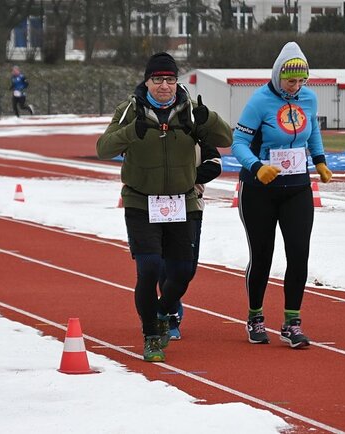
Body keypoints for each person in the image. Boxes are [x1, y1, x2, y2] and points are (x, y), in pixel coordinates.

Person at [97, 52, 232, 362]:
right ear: (147, 81)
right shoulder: (130, 109)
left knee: (183, 271)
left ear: (176, 82)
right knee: (149, 268)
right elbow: (103, 148)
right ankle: (151, 336)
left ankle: (160, 313)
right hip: (141, 200)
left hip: (181, 200)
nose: (164, 86)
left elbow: (225, 138)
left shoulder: (190, 111)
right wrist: (131, 132)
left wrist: (207, 118)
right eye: (157, 79)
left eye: (170, 79)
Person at [231, 41, 333, 348]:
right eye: (291, 81)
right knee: (262, 256)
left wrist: (320, 161)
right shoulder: (259, 101)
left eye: (302, 80)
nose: (296, 86)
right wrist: (256, 166)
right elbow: (238, 143)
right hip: (259, 190)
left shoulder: (309, 98)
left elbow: (313, 130)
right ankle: (255, 316)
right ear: (278, 76)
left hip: (297, 188)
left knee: (299, 253)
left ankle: (292, 322)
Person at [158, 140, 222, 340]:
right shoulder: (150, 128)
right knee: (162, 263)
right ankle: (168, 316)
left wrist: (185, 178)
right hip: (156, 204)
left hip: (191, 204)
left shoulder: (197, 130)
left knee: (187, 269)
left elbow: (215, 164)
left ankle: (162, 307)